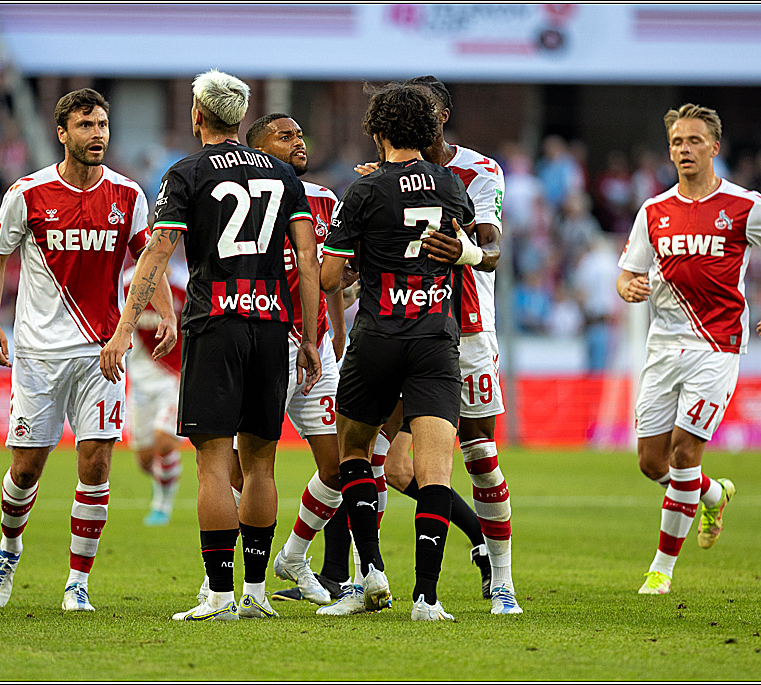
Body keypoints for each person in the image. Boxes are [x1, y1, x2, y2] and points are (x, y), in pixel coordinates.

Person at [100, 70, 322, 621]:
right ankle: (255, 595)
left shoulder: (186, 173)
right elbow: (309, 261)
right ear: (241, 118)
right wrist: (312, 337)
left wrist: (126, 327)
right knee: (263, 464)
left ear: (198, 115)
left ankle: (220, 597)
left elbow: (156, 254)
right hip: (273, 325)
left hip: (215, 322)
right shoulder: (283, 175)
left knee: (214, 465)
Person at [0, 88, 177, 612]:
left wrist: (166, 310)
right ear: (62, 133)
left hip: (103, 354)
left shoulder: (128, 195)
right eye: (86, 125)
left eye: (104, 125)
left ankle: (77, 583)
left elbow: (150, 256)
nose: (98, 134)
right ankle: (9, 547)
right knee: (26, 470)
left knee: (95, 465)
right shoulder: (27, 193)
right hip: (39, 356)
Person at [617, 103, 761, 595]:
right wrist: (628, 288)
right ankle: (713, 493)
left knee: (684, 452)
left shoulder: (747, 206)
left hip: (716, 346)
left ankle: (660, 571)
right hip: (662, 346)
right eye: (678, 142)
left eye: (694, 141)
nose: (685, 149)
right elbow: (627, 272)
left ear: (714, 147)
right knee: (651, 463)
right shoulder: (653, 211)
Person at [319, 81, 480, 621]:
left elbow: (329, 276)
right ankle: (427, 599)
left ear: (378, 131)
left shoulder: (361, 192)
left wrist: (365, 258)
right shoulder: (451, 186)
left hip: (379, 337)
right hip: (435, 339)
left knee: (355, 452)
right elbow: (474, 248)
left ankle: (370, 575)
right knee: (436, 472)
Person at [368, 75, 521, 615]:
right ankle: (359, 577)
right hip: (398, 324)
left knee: (479, 454)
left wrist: (464, 247)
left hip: (467, 328)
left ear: (444, 114)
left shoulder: (478, 170)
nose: (419, 119)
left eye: (427, 110)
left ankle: (501, 581)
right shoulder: (381, 175)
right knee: (376, 458)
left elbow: (492, 243)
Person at [205, 112, 347, 607]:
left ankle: (293, 555)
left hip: (316, 347)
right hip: (263, 340)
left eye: (301, 132)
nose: (299, 141)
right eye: (286, 137)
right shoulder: (240, 201)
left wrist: (336, 340)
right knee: (244, 472)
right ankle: (224, 577)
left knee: (339, 467)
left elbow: (330, 281)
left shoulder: (328, 201)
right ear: (260, 151)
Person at [122, 261, 188, 526]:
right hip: (140, 379)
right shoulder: (128, 284)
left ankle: (162, 506)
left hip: (174, 378)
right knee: (146, 460)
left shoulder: (184, 284)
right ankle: (167, 474)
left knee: (163, 441)